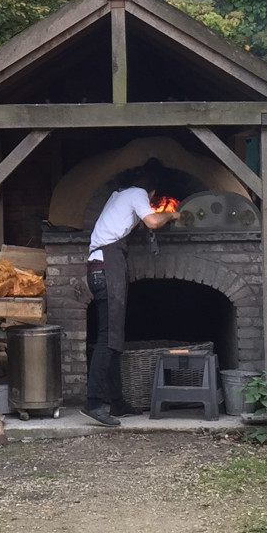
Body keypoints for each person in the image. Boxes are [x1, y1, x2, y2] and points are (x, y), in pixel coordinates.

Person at [81, 159, 181, 427]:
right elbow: (152, 222)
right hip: (107, 266)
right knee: (108, 338)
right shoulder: (138, 195)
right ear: (150, 194)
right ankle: (93, 403)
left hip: (98, 266)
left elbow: (132, 225)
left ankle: (117, 402)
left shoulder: (118, 197)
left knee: (114, 337)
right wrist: (171, 214)